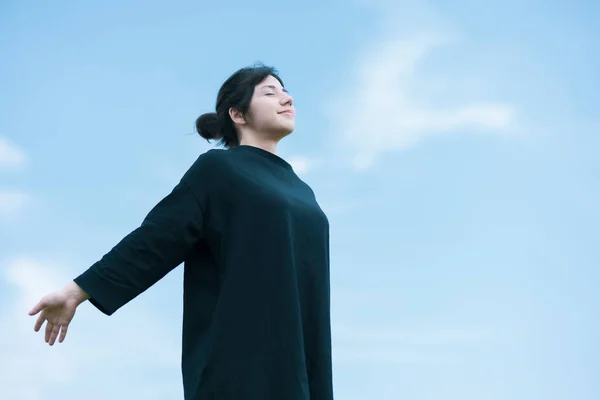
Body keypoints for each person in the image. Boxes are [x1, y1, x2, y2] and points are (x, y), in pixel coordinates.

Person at [28, 64, 334, 400]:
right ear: (238, 114)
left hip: (301, 367)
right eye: (269, 92)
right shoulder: (218, 170)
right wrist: (77, 290)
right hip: (240, 363)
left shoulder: (303, 191)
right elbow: (157, 237)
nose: (286, 98)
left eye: (286, 91)